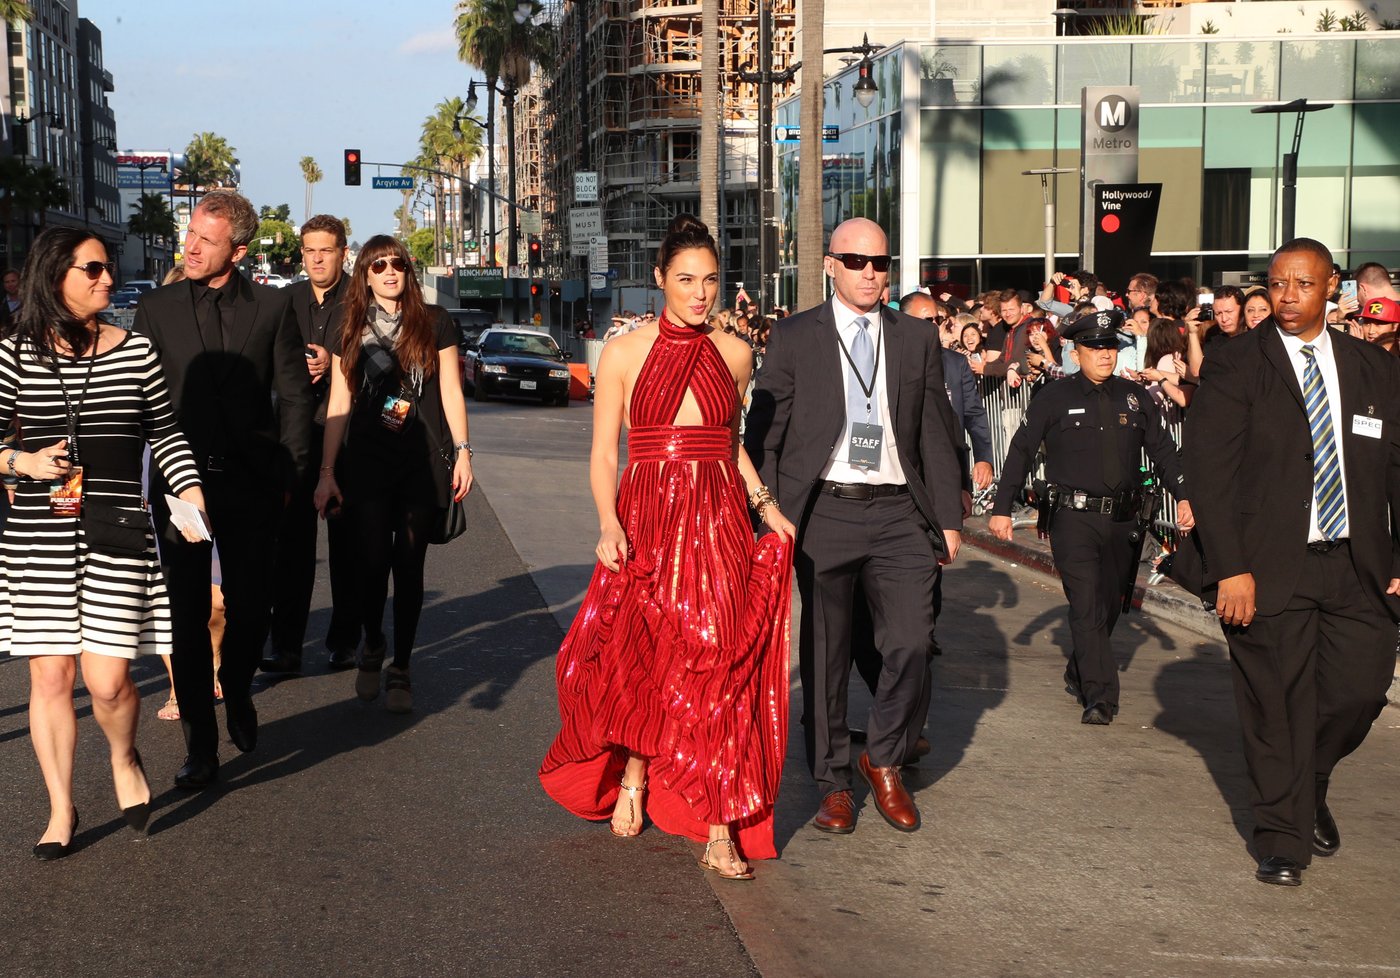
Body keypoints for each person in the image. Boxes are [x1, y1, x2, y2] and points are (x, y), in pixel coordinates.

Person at [540, 215, 795, 879]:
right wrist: (607, 523)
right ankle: (633, 772)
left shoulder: (737, 352)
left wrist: (767, 506)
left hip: (717, 520)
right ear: (659, 280)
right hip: (647, 514)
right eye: (686, 279)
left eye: (710, 280)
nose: (699, 292)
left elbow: (730, 442)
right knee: (645, 654)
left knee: (719, 660)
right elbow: (603, 453)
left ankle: (719, 828)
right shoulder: (624, 353)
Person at [1182, 239, 1400, 888]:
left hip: (1357, 564)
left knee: (1360, 691)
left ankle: (1312, 778)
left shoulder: (1372, 368)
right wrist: (1231, 567)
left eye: (1302, 284)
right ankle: (1282, 838)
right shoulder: (1236, 363)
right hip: (1265, 566)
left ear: (1332, 288)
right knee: (1275, 707)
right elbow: (1210, 472)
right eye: (1277, 284)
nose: (1286, 296)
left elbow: (1396, 466)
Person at [745, 217, 963, 836]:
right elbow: (767, 438)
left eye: (881, 263)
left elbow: (933, 433)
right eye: (857, 261)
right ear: (831, 265)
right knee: (826, 658)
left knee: (912, 642)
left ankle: (884, 757)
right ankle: (833, 783)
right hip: (824, 512)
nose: (871, 272)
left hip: (899, 511)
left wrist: (948, 518)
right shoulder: (793, 337)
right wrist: (770, 513)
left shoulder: (916, 338)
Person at [0, 227, 209, 858]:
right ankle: (61, 809)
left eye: (108, 268)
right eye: (93, 269)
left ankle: (124, 756)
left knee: (111, 680)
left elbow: (167, 436)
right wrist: (21, 465)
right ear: (55, 274)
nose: (107, 280)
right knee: (52, 677)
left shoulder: (136, 351)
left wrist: (191, 496)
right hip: (40, 533)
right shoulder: (13, 354)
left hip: (118, 527)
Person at [133, 188, 316, 790]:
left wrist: (290, 473)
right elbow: (137, 401)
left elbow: (293, 395)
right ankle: (200, 747)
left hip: (252, 485)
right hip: (180, 489)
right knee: (185, 619)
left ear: (237, 249)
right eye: (190, 234)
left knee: (249, 604)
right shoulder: (156, 310)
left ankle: (237, 689)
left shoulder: (271, 309)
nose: (190, 246)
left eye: (205, 240)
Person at [989, 310, 1192, 725]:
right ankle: (1100, 696)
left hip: (1123, 522)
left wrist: (1187, 495)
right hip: (1072, 519)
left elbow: (1164, 451)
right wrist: (1001, 507)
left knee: (1110, 605)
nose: (1105, 355)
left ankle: (1079, 669)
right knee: (1085, 606)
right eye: (1095, 347)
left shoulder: (1133, 397)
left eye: (1110, 347)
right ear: (1074, 350)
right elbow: (1021, 450)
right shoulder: (1054, 397)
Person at [313, 236, 473, 714]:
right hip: (364, 461)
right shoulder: (348, 324)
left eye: (397, 264)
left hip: (421, 461)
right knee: (369, 566)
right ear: (364, 273)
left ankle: (401, 664)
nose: (389, 271)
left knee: (408, 567)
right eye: (378, 264)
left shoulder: (435, 321)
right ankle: (374, 642)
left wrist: (464, 452)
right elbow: (338, 402)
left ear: (408, 270)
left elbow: (450, 391)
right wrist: (326, 471)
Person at [263, 215, 358, 675]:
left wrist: (335, 362)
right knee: (290, 548)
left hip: (347, 435)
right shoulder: (285, 300)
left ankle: (344, 641)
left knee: (347, 547)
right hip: (296, 435)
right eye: (309, 250)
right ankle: (286, 646)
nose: (317, 258)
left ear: (343, 251)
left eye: (326, 250)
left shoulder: (361, 298)